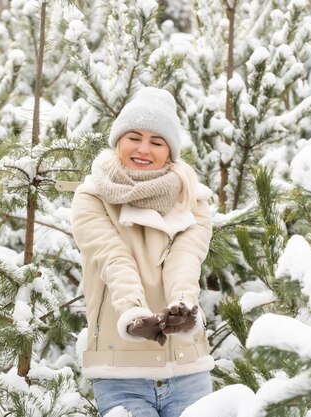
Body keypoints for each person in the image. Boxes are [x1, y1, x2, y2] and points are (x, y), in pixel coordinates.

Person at [71, 87, 214, 417]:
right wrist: (133, 312)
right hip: (120, 369)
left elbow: (186, 258)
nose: (143, 149)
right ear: (118, 141)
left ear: (170, 151)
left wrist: (184, 306)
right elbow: (112, 258)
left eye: (157, 141)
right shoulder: (91, 197)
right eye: (134, 137)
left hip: (187, 368)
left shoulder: (193, 199)